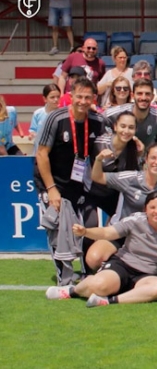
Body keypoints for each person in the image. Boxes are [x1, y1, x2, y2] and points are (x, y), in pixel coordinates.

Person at [45, 191, 157, 308]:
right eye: (152, 207)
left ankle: (107, 301)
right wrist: (85, 232)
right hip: (123, 266)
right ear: (145, 209)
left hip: (147, 275)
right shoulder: (135, 221)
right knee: (100, 286)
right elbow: (107, 233)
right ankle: (71, 291)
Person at [34, 77, 107, 285]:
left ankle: (86, 273)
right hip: (53, 184)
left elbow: (116, 137)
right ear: (71, 96)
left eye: (87, 97)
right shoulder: (55, 118)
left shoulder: (98, 120)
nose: (83, 101)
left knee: (90, 225)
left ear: (94, 98)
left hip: (81, 185)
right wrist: (51, 189)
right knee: (58, 230)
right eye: (79, 96)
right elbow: (41, 154)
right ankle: (63, 279)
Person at [86, 143, 157, 270]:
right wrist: (99, 159)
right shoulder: (130, 178)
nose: (156, 162)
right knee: (94, 258)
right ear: (146, 159)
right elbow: (97, 177)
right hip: (120, 234)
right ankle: (115, 263)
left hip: (147, 239)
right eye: (153, 158)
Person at [88, 111, 142, 218]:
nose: (126, 131)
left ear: (136, 130)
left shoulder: (134, 148)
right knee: (91, 224)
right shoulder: (99, 142)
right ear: (115, 127)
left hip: (114, 194)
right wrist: (99, 159)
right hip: (91, 192)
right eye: (123, 126)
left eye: (131, 127)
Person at [105, 78, 157, 148]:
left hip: (146, 157)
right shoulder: (117, 112)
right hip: (119, 156)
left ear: (152, 97)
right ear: (132, 96)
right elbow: (101, 120)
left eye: (147, 94)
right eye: (139, 93)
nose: (143, 98)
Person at [29, 84, 61, 148]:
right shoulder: (37, 113)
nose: (56, 99)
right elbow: (33, 130)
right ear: (45, 99)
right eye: (52, 97)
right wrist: (32, 135)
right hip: (40, 149)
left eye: (58, 97)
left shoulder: (62, 115)